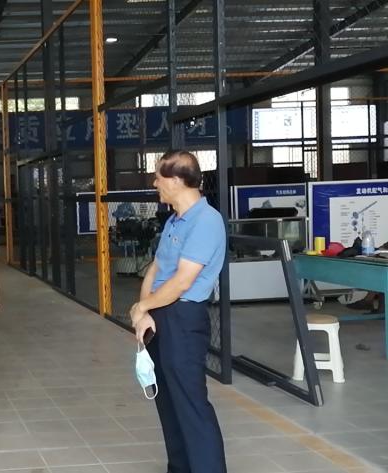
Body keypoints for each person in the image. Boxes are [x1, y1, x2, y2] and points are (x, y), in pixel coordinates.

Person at [131, 150, 226, 473]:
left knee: (190, 403)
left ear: (175, 180)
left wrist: (144, 305)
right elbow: (156, 268)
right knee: (168, 402)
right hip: (160, 315)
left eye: (158, 177)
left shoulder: (206, 221)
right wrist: (144, 312)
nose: (155, 183)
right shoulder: (175, 220)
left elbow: (183, 281)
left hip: (183, 319)